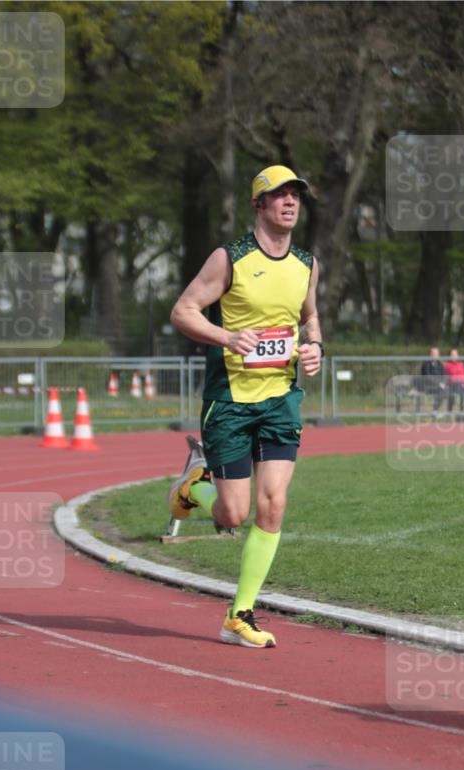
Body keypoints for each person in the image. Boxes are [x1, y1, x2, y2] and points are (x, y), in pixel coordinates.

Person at [168, 165, 323, 649]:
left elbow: (309, 315)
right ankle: (196, 486)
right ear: (258, 205)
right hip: (231, 401)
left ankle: (240, 614)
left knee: (273, 505)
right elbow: (183, 310)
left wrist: (315, 345)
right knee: (232, 516)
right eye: (279, 195)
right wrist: (226, 337)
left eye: (295, 194)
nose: (290, 202)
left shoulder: (307, 263)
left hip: (280, 399)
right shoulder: (229, 258)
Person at [415, 346, 446, 415]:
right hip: (426, 386)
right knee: (441, 389)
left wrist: (443, 383)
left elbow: (444, 376)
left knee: (445, 391)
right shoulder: (426, 364)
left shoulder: (440, 364)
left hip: (438, 387)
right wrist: (439, 383)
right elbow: (427, 377)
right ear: (430, 354)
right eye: (433, 353)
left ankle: (435, 410)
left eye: (436, 354)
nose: (435, 355)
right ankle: (419, 412)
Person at [444, 348, 464, 412]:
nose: (454, 356)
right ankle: (450, 412)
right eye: (452, 354)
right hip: (453, 385)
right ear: (449, 356)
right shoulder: (446, 365)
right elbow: (445, 377)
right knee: (459, 388)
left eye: (455, 354)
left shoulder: (461, 364)